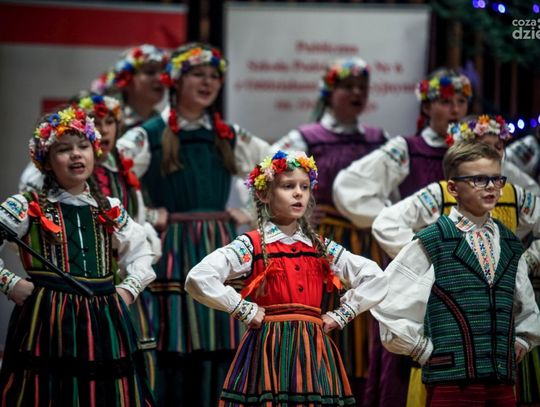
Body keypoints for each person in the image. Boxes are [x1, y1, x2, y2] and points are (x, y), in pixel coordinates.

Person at [116, 42, 271, 406]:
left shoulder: (228, 133)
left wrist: (251, 212)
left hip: (218, 242)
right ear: (176, 81)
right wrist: (146, 215)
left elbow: (274, 165)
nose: (207, 82)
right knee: (175, 338)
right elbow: (113, 172)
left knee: (220, 334)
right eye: (198, 74)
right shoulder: (150, 133)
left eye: (214, 76)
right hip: (173, 245)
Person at [185, 150, 388, 406]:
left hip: (312, 350)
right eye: (288, 186)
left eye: (304, 187)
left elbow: (375, 277)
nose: (298, 193)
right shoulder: (252, 245)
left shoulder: (321, 247)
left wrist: (342, 314)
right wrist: (242, 309)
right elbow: (199, 277)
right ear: (264, 194)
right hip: (268, 349)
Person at [372, 115, 540, 406]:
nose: (491, 187)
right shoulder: (433, 240)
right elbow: (388, 304)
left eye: (496, 179)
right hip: (451, 382)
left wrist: (524, 339)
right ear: (453, 188)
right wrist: (421, 348)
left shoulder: (509, 243)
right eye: (479, 180)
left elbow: (524, 304)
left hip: (501, 382)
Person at [333, 68, 472, 406]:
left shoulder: (476, 153)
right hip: (418, 267)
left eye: (461, 101)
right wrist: (410, 241)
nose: (455, 109)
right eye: (445, 102)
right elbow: (349, 187)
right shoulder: (408, 148)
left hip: (467, 267)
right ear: (426, 106)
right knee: (409, 344)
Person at [0, 106, 156, 405]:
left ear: (94, 152)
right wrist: (10, 283)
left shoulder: (109, 207)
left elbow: (141, 252)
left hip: (104, 317)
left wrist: (128, 289)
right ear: (46, 160)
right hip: (48, 319)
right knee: (50, 392)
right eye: (63, 149)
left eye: (83, 146)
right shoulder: (26, 206)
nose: (75, 155)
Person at [272, 57, 389, 385]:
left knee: (368, 316)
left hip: (369, 240)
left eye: (362, 87)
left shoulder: (378, 138)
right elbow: (268, 176)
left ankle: (365, 391)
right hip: (326, 240)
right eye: (348, 86)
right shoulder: (307, 138)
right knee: (326, 311)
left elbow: (392, 189)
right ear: (329, 91)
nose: (357, 93)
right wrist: (300, 210)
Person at [94, 44, 169, 130]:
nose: (160, 78)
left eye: (164, 72)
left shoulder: (163, 124)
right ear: (126, 79)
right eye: (150, 72)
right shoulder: (111, 123)